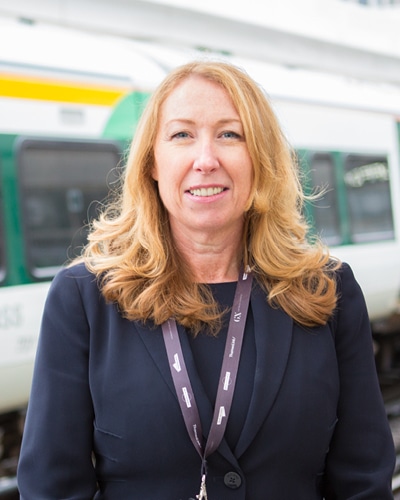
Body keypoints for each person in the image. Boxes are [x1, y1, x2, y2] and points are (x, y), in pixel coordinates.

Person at [17, 60, 395, 499]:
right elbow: (51, 488)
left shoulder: (328, 292)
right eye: (181, 135)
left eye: (230, 134)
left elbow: (363, 481)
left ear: (261, 159)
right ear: (152, 163)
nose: (206, 160)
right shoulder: (84, 299)